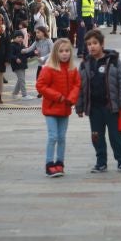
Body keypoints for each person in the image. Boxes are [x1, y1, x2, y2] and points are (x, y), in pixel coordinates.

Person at [76, 29, 121, 173]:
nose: (92, 47)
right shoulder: (84, 64)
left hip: (111, 107)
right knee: (96, 136)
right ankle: (101, 162)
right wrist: (79, 107)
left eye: (95, 43)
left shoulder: (113, 60)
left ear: (102, 44)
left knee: (115, 136)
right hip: (94, 108)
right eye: (89, 44)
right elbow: (80, 87)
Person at [36, 38, 80, 178]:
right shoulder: (49, 68)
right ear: (55, 53)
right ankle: (49, 164)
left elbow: (77, 85)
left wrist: (71, 98)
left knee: (62, 137)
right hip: (51, 108)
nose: (64, 54)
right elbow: (40, 86)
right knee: (53, 136)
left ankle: (60, 163)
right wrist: (58, 97)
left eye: (67, 51)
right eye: (61, 51)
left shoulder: (73, 69)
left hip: (65, 108)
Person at [8, 30, 30, 98]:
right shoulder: (12, 45)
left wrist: (34, 53)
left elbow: (26, 54)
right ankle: (24, 95)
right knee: (22, 80)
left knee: (20, 80)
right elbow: (10, 55)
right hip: (16, 65)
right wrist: (16, 58)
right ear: (14, 38)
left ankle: (14, 94)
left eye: (21, 37)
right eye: (18, 37)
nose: (20, 38)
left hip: (22, 64)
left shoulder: (22, 45)